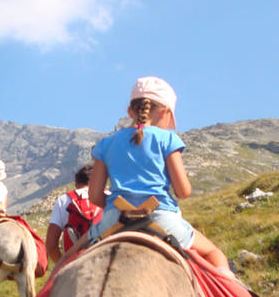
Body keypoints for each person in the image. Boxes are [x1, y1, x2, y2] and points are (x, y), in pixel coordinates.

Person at [73, 76, 231, 275]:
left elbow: (95, 196)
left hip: (114, 219)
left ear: (130, 111)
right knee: (213, 253)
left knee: (66, 261)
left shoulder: (106, 144)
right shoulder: (168, 139)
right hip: (161, 217)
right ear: (165, 112)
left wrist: (119, 204)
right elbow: (183, 192)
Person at [46, 163, 102, 264]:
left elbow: (51, 246)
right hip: (106, 259)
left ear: (76, 184)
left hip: (75, 263)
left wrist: (62, 266)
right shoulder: (109, 197)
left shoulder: (63, 200)